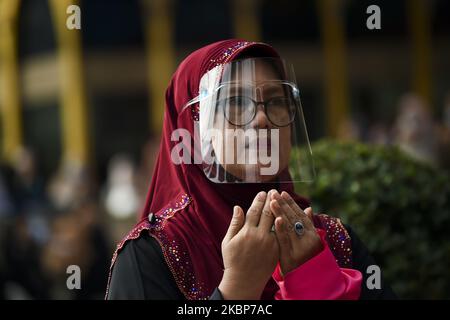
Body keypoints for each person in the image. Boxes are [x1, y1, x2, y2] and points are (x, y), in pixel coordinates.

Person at [106, 39, 396, 300]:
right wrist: (236, 290)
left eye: (275, 101)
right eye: (234, 102)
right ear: (193, 129)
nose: (260, 120)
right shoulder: (152, 255)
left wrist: (316, 281)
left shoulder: (329, 241)